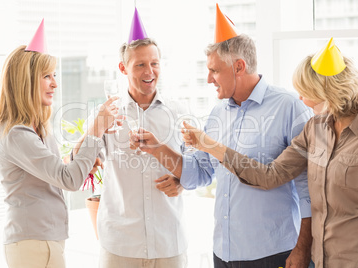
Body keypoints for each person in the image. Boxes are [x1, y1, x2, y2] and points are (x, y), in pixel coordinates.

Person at [180, 38, 358, 268]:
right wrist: (212, 146)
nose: (300, 98)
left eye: (306, 91)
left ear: (328, 92)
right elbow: (271, 175)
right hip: (320, 261)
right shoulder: (314, 129)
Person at [131, 5, 313, 267]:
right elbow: (199, 173)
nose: (208, 79)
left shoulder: (288, 107)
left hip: (275, 252)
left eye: (215, 70)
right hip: (224, 253)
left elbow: (308, 188)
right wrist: (157, 148)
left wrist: (303, 248)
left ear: (239, 66)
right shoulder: (217, 113)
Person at [0, 21, 117, 268]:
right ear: (25, 82)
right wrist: (94, 130)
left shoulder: (35, 128)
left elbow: (55, 170)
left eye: (54, 75)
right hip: (33, 241)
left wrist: (81, 150)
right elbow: (68, 180)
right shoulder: (17, 134)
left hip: (43, 238)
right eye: (47, 76)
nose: (55, 84)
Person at [73, 8, 187, 268]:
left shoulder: (178, 111)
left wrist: (183, 181)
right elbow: (75, 163)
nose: (150, 71)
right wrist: (95, 125)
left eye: (154, 63)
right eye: (140, 65)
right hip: (120, 246)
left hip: (169, 243)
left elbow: (199, 166)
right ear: (123, 68)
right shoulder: (106, 113)